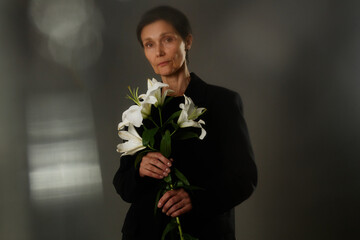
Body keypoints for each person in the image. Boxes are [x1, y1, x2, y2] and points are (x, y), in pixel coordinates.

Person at [113, 5, 257, 240]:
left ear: (187, 41)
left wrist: (197, 200)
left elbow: (245, 178)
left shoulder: (221, 102)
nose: (158, 52)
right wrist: (140, 169)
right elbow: (123, 185)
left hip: (203, 232)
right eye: (149, 44)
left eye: (167, 39)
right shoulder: (141, 110)